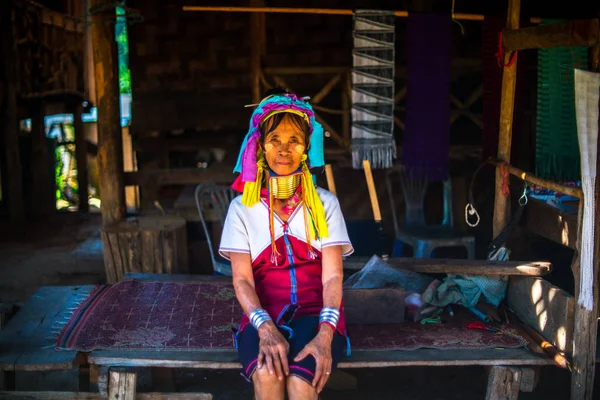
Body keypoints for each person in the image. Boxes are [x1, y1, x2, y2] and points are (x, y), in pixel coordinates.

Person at [219, 87, 354, 400]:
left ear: (306, 146)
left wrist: (325, 333)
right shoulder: (242, 208)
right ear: (260, 147)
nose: (284, 149)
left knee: (299, 382)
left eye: (294, 139)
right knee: (267, 373)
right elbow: (241, 280)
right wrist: (264, 328)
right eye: (274, 139)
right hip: (262, 316)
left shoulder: (324, 204)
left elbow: (333, 276)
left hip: (318, 317)